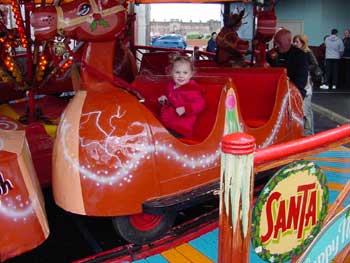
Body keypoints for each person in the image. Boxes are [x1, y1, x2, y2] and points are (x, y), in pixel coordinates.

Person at [267, 29, 309, 135]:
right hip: (274, 93)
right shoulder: (271, 54)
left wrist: (291, 93)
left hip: (293, 94)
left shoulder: (300, 56)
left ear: (289, 41)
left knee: (294, 121)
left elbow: (301, 81)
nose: (277, 45)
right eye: (275, 42)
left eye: (279, 42)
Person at [158, 54, 206, 137]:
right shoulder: (171, 86)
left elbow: (200, 104)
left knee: (162, 137)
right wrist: (164, 100)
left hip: (181, 127)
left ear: (191, 74)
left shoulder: (192, 89)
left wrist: (185, 109)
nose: (181, 76)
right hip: (167, 123)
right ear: (171, 73)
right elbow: (172, 101)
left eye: (185, 73)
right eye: (177, 72)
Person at [293, 34, 319, 135]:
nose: (295, 44)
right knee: (305, 109)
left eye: (297, 42)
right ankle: (306, 131)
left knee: (306, 110)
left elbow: (315, 64)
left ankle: (308, 133)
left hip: (306, 83)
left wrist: (304, 68)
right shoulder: (295, 53)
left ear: (303, 43)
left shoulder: (307, 52)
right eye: (294, 42)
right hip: (301, 83)